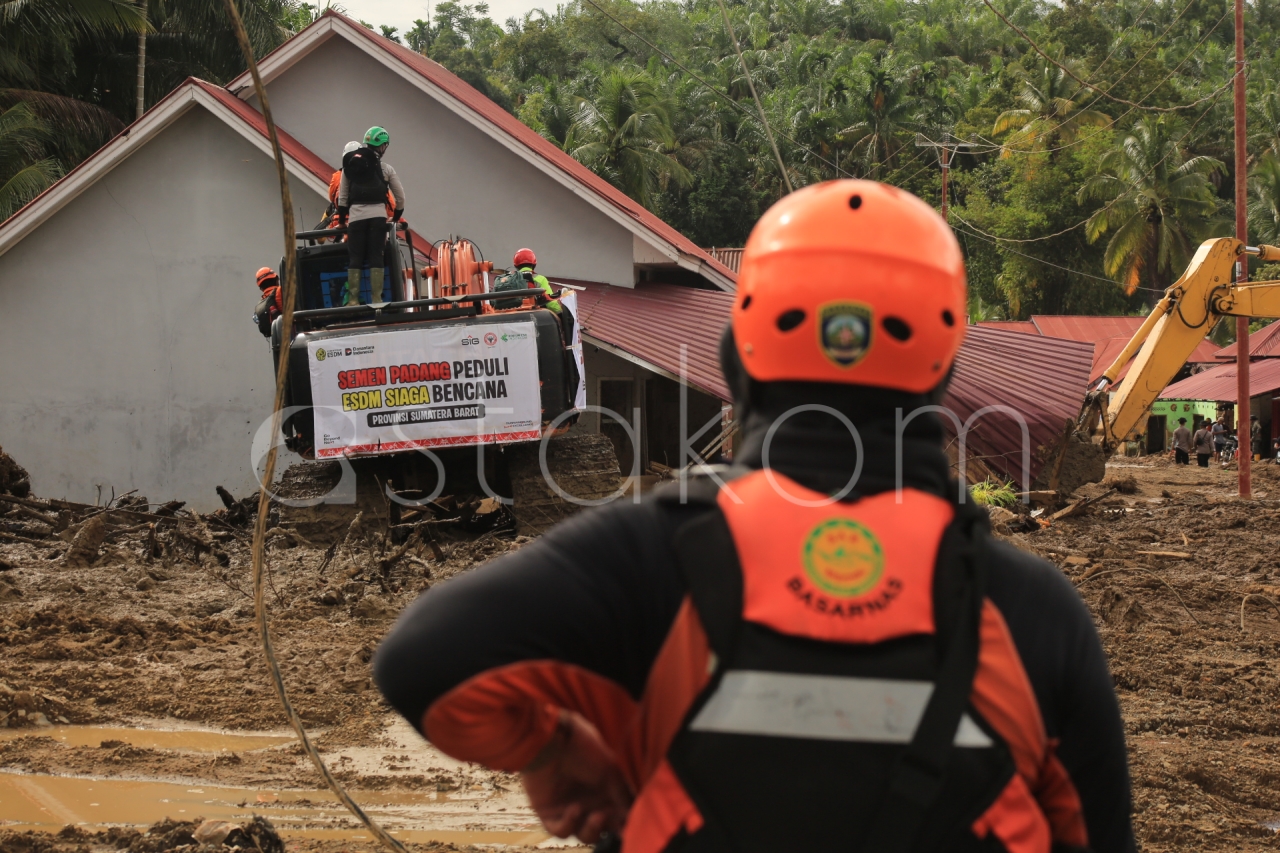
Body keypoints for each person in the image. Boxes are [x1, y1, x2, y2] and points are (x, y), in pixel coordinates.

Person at [373, 180, 1135, 853]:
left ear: (737, 359)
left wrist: (553, 746)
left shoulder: (649, 561)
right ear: (942, 373)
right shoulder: (1034, 615)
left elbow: (423, 658)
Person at [336, 126, 405, 305]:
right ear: (381, 146)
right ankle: (376, 300)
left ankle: (352, 301)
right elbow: (400, 198)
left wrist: (343, 222)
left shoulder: (349, 166)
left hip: (355, 218)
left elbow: (342, 198)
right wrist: (396, 218)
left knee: (355, 258)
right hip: (378, 218)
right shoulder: (386, 169)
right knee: (376, 256)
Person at [512, 247, 561, 313]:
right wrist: (561, 311)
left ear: (516, 265)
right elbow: (551, 304)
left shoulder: (509, 279)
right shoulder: (540, 279)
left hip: (513, 316)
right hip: (535, 317)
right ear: (534, 263)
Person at [252, 267, 281, 337]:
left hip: (277, 339)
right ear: (276, 280)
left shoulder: (263, 301)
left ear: (261, 288)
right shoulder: (281, 291)